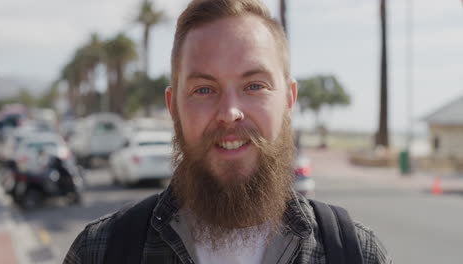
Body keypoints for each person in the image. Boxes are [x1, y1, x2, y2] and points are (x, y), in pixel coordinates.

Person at [64, 0, 392, 263]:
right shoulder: (101, 252)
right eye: (204, 90)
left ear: (289, 100)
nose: (230, 113)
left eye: (254, 85)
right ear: (173, 105)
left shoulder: (356, 253)